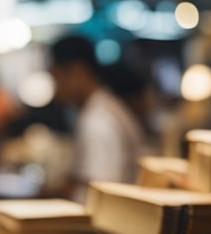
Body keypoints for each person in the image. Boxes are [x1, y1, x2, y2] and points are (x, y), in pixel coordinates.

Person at [49, 34, 144, 193]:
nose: (56, 88)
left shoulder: (97, 121)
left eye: (57, 77)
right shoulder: (107, 106)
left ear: (77, 71)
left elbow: (97, 193)